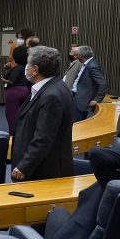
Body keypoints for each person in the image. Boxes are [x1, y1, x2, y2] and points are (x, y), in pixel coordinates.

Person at [11, 46, 74, 182]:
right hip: (43, 167)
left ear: (35, 69)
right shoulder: (55, 86)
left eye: (28, 64)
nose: (26, 68)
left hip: (43, 172)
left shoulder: (51, 96)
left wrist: (24, 166)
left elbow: (43, 138)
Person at [70, 45, 108, 121]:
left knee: (77, 124)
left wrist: (97, 99)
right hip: (78, 97)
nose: (76, 57)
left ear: (81, 56)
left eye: (77, 54)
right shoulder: (88, 63)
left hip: (81, 100)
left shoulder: (92, 66)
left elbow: (103, 83)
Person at [2, 45, 31, 135]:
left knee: (12, 118)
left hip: (14, 93)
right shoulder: (28, 67)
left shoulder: (17, 68)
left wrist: (3, 79)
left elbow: (11, 81)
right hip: (26, 90)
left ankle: (13, 137)